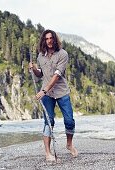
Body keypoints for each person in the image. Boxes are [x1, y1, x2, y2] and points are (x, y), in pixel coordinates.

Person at [29, 29, 78, 161]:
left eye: (51, 38)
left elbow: (57, 76)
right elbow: (40, 75)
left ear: (55, 39)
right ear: (44, 41)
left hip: (62, 91)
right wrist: (34, 69)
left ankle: (69, 144)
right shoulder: (40, 56)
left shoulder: (63, 54)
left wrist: (43, 91)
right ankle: (48, 153)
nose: (49, 41)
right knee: (48, 121)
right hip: (47, 95)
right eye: (46, 39)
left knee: (69, 120)